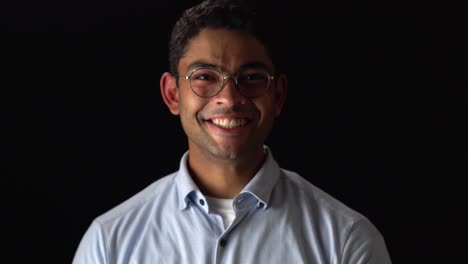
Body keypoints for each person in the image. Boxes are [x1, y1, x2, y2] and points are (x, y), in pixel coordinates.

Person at [72, 0, 392, 263]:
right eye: (205, 76)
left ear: (278, 95)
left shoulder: (346, 240)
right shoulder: (110, 242)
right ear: (172, 94)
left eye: (251, 77)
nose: (229, 98)